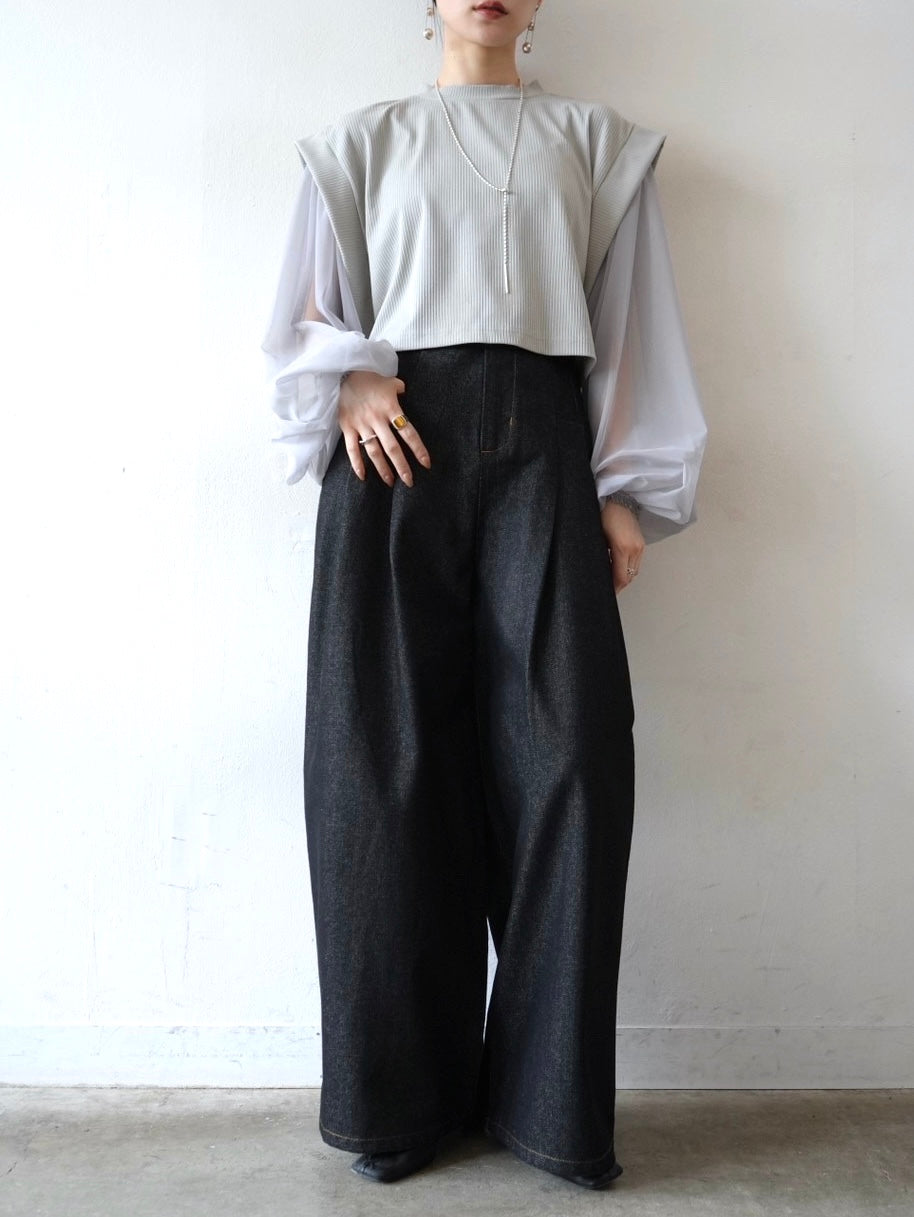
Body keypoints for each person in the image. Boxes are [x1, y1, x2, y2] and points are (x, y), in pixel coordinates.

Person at [260, 0, 707, 1191]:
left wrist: (623, 487)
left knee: (571, 764)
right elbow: (301, 316)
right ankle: (396, 1099)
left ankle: (548, 1106)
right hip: (390, 454)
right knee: (379, 765)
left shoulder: (596, 144)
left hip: (545, 456)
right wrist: (348, 380)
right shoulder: (358, 144)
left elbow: (631, 322)